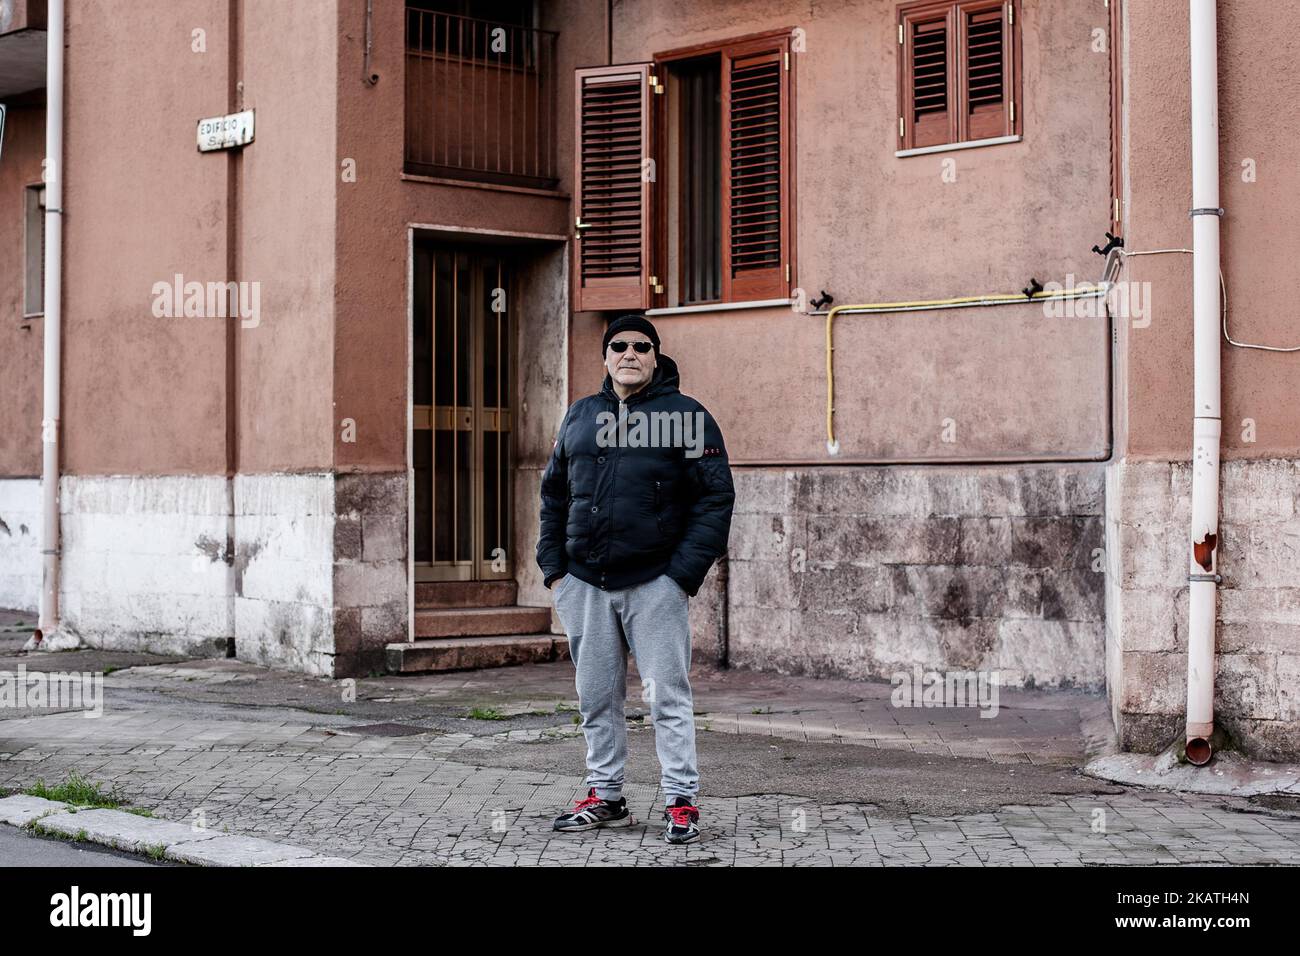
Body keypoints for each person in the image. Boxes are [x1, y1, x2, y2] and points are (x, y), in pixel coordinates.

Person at [537, 314, 734, 844]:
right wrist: (555, 570)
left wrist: (680, 576)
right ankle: (606, 797)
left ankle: (680, 802)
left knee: (666, 696)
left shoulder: (686, 416)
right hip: (584, 581)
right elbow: (554, 494)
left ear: (655, 356)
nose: (629, 354)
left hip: (654, 583)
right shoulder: (581, 415)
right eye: (618, 346)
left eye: (641, 347)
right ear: (605, 357)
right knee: (597, 697)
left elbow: (715, 500)